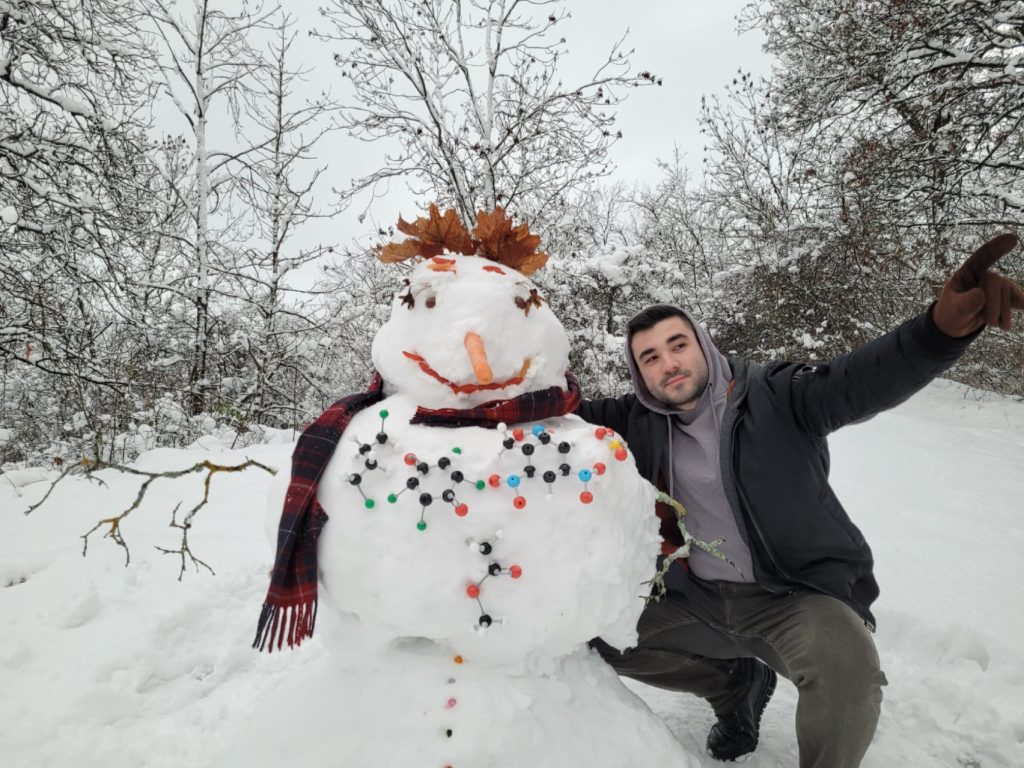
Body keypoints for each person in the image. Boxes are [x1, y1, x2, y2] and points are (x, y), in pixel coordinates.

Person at [575, 234, 1024, 767]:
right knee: (594, 637)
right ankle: (734, 686)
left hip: (792, 596)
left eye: (678, 345)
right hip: (694, 598)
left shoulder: (777, 395)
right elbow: (551, 414)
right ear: (638, 373)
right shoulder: (632, 424)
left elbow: (858, 381)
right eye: (650, 357)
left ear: (703, 345)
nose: (668, 363)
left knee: (848, 672)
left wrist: (936, 332)